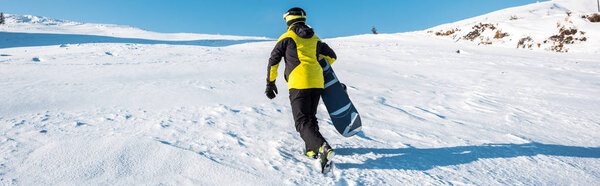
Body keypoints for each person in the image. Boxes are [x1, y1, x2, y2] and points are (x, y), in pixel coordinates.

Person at [264, 7, 337, 170]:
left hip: (299, 82)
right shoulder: (315, 38)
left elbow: (273, 62)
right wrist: (317, 66)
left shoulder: (287, 37)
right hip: (317, 82)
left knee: (301, 121)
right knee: (310, 117)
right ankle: (312, 150)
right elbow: (332, 56)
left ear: (289, 20)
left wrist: (270, 83)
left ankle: (322, 147)